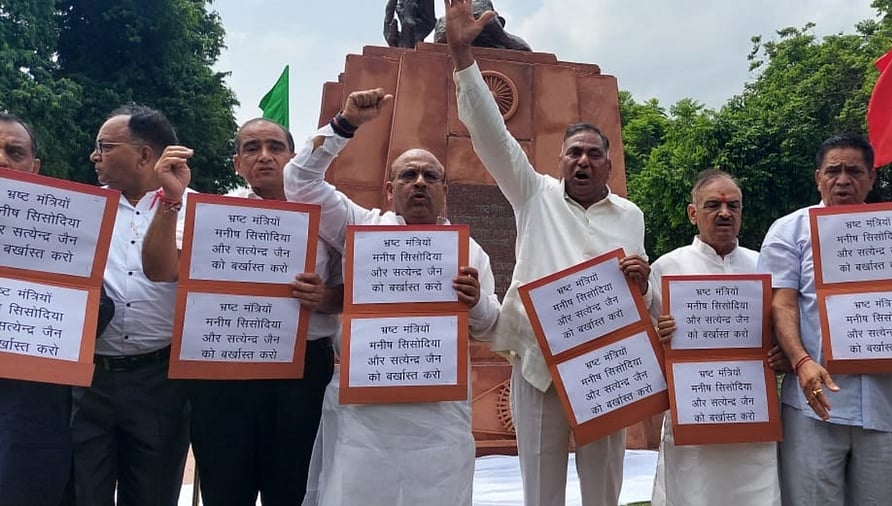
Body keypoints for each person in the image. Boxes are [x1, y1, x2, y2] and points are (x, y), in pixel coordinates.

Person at [444, 2, 652, 504]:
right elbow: (491, 135)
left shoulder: (631, 216)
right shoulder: (532, 194)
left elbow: (634, 293)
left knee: (605, 486)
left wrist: (639, 281)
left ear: (607, 164)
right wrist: (460, 55)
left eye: (593, 154)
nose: (583, 160)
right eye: (573, 152)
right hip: (537, 366)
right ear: (559, 161)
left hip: (608, 369)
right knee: (541, 488)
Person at [282, 88, 501, 506]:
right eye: (408, 175)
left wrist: (475, 301)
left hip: (439, 415)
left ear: (444, 191)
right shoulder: (360, 229)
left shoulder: (469, 252)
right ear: (389, 189)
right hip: (366, 414)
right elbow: (299, 181)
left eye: (430, 176)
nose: (419, 182)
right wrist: (345, 124)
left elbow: (490, 326)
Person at [141, 118, 342, 505]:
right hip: (225, 371)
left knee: (292, 490)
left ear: (292, 157)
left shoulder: (328, 215)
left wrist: (326, 298)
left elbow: (352, 292)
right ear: (237, 163)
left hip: (301, 376)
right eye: (252, 148)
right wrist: (169, 200)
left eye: (275, 147)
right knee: (225, 489)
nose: (264, 157)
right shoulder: (215, 216)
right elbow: (161, 269)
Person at [758, 133, 892, 505]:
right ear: (817, 177)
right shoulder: (790, 230)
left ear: (871, 178)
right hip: (814, 405)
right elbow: (781, 305)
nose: (843, 180)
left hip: (889, 404)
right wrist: (801, 360)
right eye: (833, 171)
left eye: (854, 171)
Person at [70, 104, 191, 506]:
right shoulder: (76, 210)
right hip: (88, 379)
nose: (94, 155)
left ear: (144, 155)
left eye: (104, 146)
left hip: (159, 381)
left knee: (153, 494)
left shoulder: (201, 212)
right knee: (83, 491)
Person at [648, 169, 784, 505]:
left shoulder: (763, 267)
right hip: (693, 423)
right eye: (713, 205)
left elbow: (782, 331)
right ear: (692, 213)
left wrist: (782, 354)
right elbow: (644, 348)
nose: (724, 213)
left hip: (752, 420)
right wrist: (659, 335)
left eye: (733, 206)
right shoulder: (666, 269)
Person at [0, 113, 72, 506]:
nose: (3, 161)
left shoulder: (65, 229)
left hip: (28, 426)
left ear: (34, 167)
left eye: (14, 152)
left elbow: (101, 307)